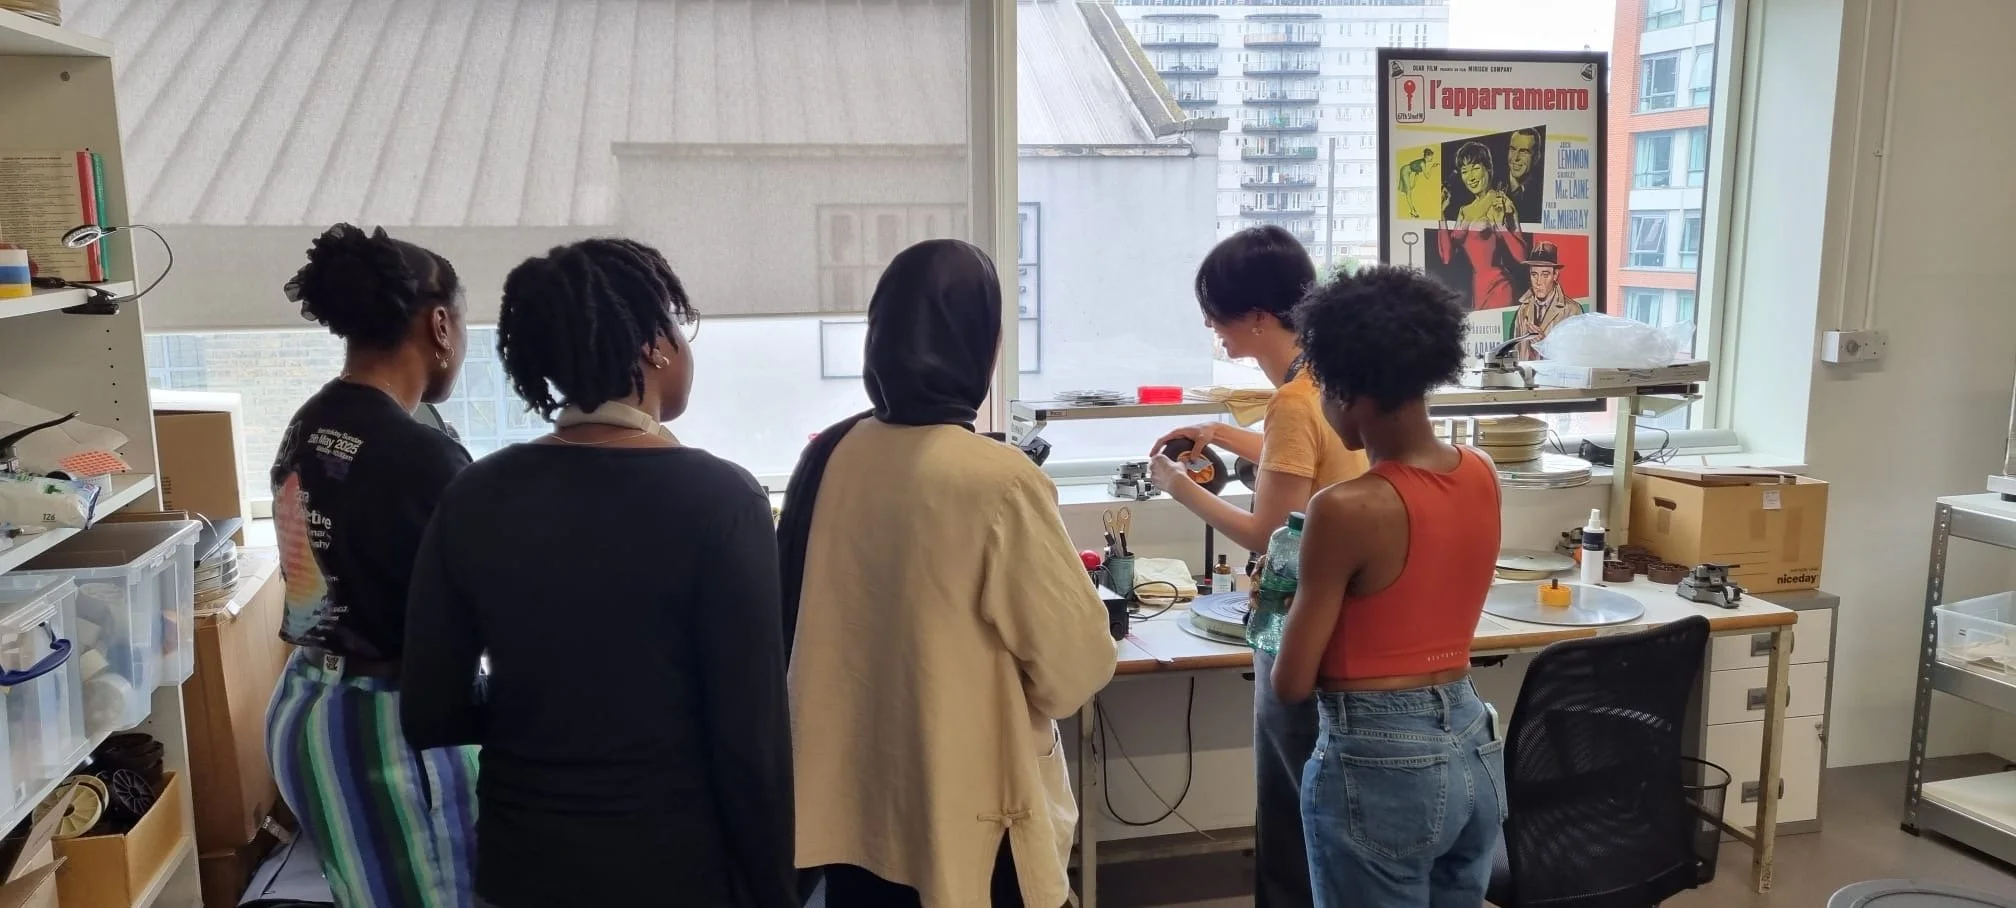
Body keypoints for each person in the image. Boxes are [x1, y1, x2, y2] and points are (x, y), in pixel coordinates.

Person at [400, 239, 794, 908]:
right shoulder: (723, 500)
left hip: (523, 864)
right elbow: (752, 744)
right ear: (654, 346)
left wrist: (542, 706)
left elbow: (430, 711)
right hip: (674, 868)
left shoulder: (476, 494)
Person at [779, 239, 1117, 908]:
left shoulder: (829, 454)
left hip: (851, 810)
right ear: (981, 347)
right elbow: (1076, 670)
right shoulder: (997, 480)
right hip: (967, 825)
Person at [1148, 225, 1368, 908]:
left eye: (1215, 313)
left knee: (1289, 811)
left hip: (1298, 626)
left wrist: (1177, 485)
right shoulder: (1327, 378)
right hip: (1347, 621)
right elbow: (1298, 456)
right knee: (1321, 811)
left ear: (1257, 317)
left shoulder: (1293, 401)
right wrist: (1217, 433)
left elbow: (1269, 531)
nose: (1211, 327)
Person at [1272, 264, 1506, 908]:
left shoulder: (1346, 507)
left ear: (1347, 393)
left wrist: (1285, 598)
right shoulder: (1482, 470)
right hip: (1473, 741)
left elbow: (1291, 683)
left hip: (1380, 759)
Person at [264, 223, 476, 908]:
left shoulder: (310, 421)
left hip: (307, 707)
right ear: (440, 325)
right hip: (383, 730)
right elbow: (478, 604)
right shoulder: (422, 454)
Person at [1437, 141, 1529, 311]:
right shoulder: (1464, 210)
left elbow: (1522, 256)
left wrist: (1500, 226)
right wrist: (1440, 214)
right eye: (1464, 171)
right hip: (1478, 289)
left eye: (1475, 168)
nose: (1470, 177)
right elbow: (1447, 257)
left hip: (1500, 288)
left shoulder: (1502, 202)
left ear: (1488, 168)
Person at [1510, 241, 1586, 359]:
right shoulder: (1523, 309)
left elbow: (1577, 356)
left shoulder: (1572, 311)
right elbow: (1517, 353)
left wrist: (1544, 345)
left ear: (1555, 275)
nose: (1539, 282)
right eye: (1534, 275)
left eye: (1545, 275)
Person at [1502, 128, 1543, 222]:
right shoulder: (1491, 185)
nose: (1516, 157)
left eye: (1524, 151)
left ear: (1536, 157)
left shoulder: (1540, 193)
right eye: (1512, 149)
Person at [1398, 147, 1437, 218]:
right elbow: (1427, 176)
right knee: (1408, 192)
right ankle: (1412, 211)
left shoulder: (1423, 162)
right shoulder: (1422, 163)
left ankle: (1412, 210)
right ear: (1427, 156)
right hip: (1404, 171)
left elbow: (1417, 173)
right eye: (1431, 156)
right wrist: (1432, 168)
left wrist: (1414, 184)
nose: (1432, 158)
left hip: (1405, 170)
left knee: (1408, 191)